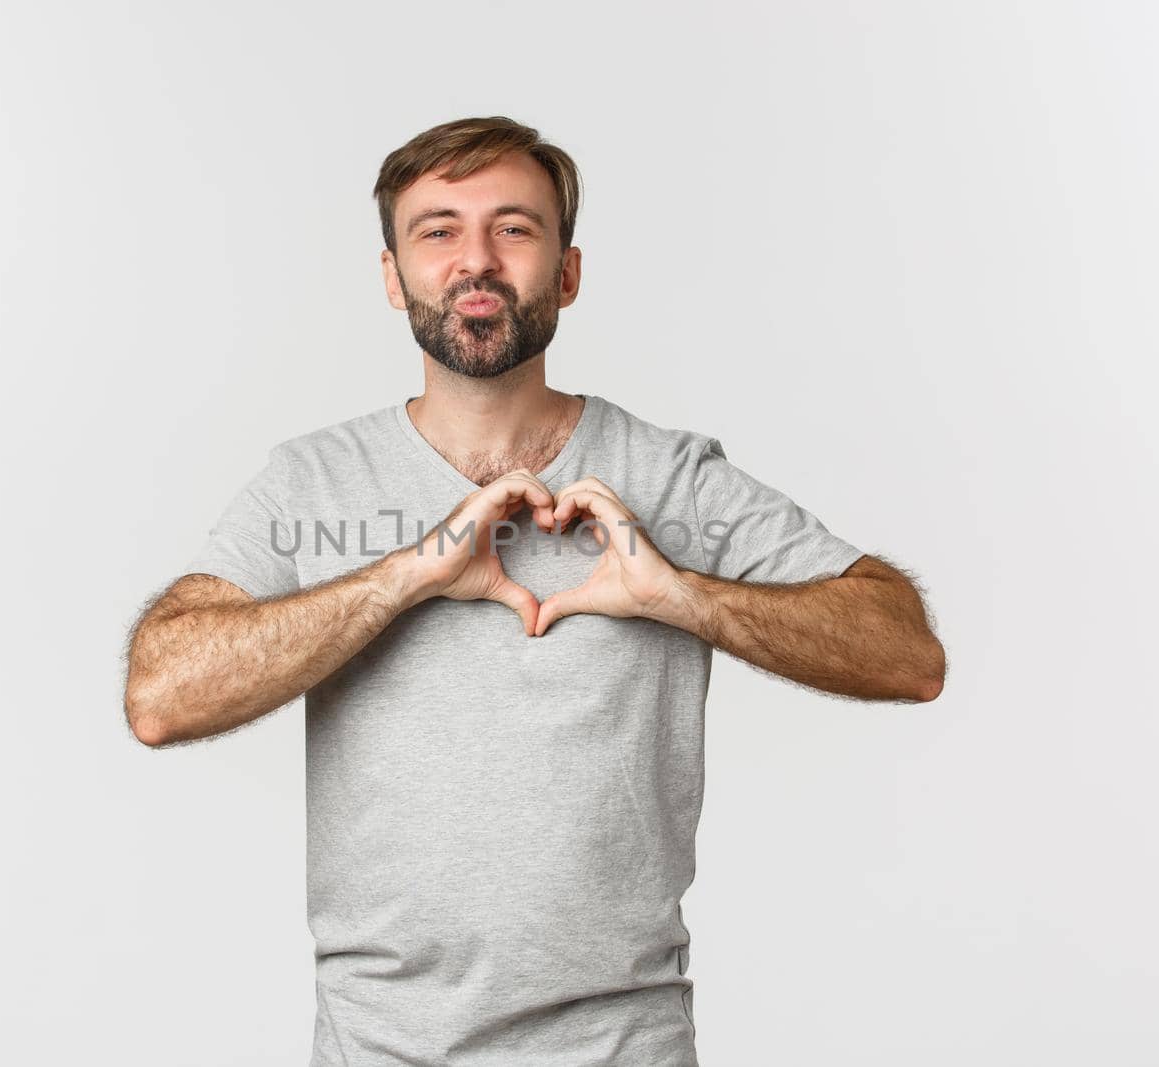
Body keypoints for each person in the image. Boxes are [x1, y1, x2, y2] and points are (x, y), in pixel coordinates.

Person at [124, 115, 946, 1066]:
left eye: (514, 228)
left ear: (567, 272)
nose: (476, 258)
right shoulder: (315, 481)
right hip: (377, 1048)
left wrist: (680, 596)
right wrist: (407, 574)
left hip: (622, 1046)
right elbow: (159, 694)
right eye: (437, 230)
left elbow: (907, 652)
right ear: (393, 277)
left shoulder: (670, 478)